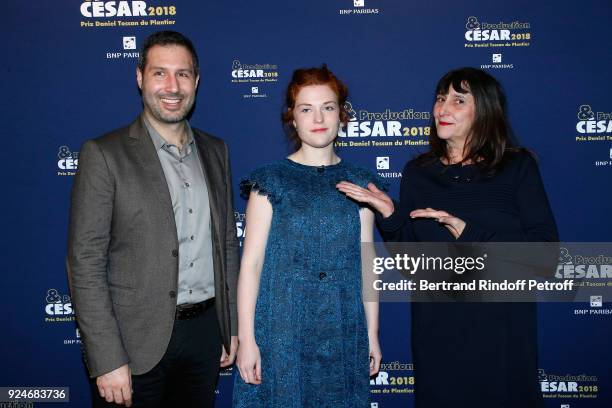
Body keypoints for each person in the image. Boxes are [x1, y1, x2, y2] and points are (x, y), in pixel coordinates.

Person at [337, 67, 558, 407]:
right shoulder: (419, 173)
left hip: (502, 336)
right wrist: (390, 215)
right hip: (438, 334)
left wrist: (467, 231)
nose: (442, 109)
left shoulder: (517, 167)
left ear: (484, 110)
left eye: (458, 100)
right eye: (440, 99)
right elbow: (412, 265)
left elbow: (545, 258)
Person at [67, 30, 239, 408]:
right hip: (132, 344)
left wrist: (232, 326)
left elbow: (226, 243)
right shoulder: (104, 154)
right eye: (160, 73)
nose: (172, 86)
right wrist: (107, 358)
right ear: (140, 77)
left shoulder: (216, 150)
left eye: (183, 74)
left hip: (205, 336)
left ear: (197, 81)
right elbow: (86, 263)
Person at [232, 65, 382, 407]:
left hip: (343, 328)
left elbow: (367, 263)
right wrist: (248, 340)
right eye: (306, 108)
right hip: (280, 329)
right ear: (292, 118)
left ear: (342, 115)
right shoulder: (270, 180)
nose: (319, 117)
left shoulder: (361, 182)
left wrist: (371, 334)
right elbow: (252, 265)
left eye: (328, 107)